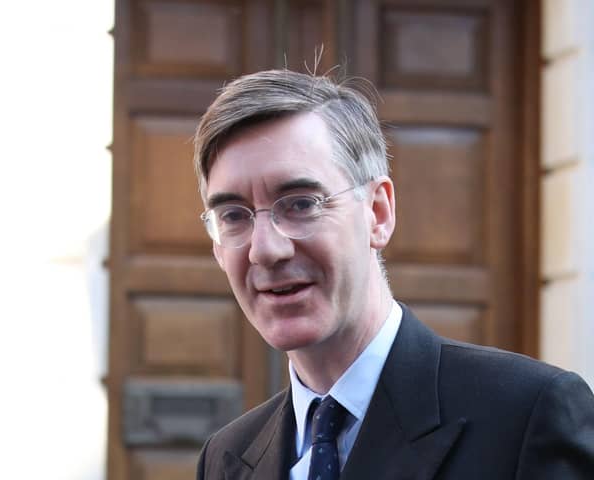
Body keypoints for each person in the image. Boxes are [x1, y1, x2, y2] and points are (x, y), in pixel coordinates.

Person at [192, 69, 594, 480]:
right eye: (233, 216)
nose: (266, 249)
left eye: (300, 204)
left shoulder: (526, 415)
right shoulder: (226, 457)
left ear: (378, 213)